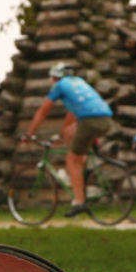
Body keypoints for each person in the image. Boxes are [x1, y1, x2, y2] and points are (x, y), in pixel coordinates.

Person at [21, 63, 114, 217]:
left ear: (54, 78)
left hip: (89, 120)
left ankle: (79, 202)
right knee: (72, 138)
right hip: (105, 119)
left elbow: (42, 112)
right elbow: (72, 112)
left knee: (71, 159)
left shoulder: (60, 85)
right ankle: (83, 172)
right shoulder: (79, 82)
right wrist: (63, 132)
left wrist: (29, 134)